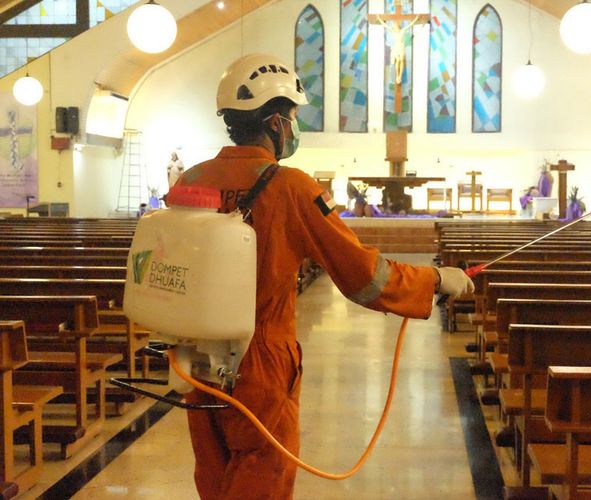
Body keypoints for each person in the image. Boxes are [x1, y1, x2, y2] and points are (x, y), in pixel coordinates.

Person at [171, 53, 474, 500]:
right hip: (260, 359)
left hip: (194, 357)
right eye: (293, 115)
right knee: (262, 478)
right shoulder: (290, 187)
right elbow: (361, 275)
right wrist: (433, 280)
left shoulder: (190, 180)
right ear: (276, 122)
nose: (294, 126)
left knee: (215, 479)